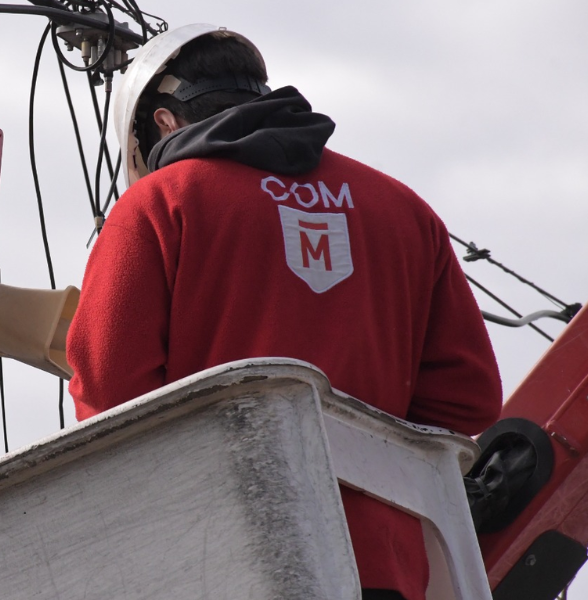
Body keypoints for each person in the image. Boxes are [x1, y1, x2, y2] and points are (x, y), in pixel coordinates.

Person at [66, 25, 502, 600]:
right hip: (377, 571)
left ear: (164, 123)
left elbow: (110, 398)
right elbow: (467, 398)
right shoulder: (404, 212)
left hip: (220, 562)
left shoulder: (157, 205)